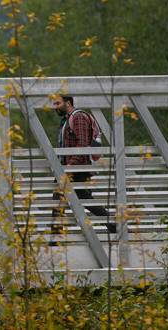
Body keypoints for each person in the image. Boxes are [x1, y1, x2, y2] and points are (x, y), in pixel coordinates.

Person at [50, 94, 115, 236]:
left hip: (77, 167)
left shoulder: (78, 117)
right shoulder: (67, 120)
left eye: (57, 103)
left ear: (68, 103)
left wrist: (67, 169)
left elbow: (82, 145)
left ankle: (55, 237)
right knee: (81, 198)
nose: (55, 107)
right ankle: (113, 224)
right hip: (72, 167)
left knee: (60, 197)